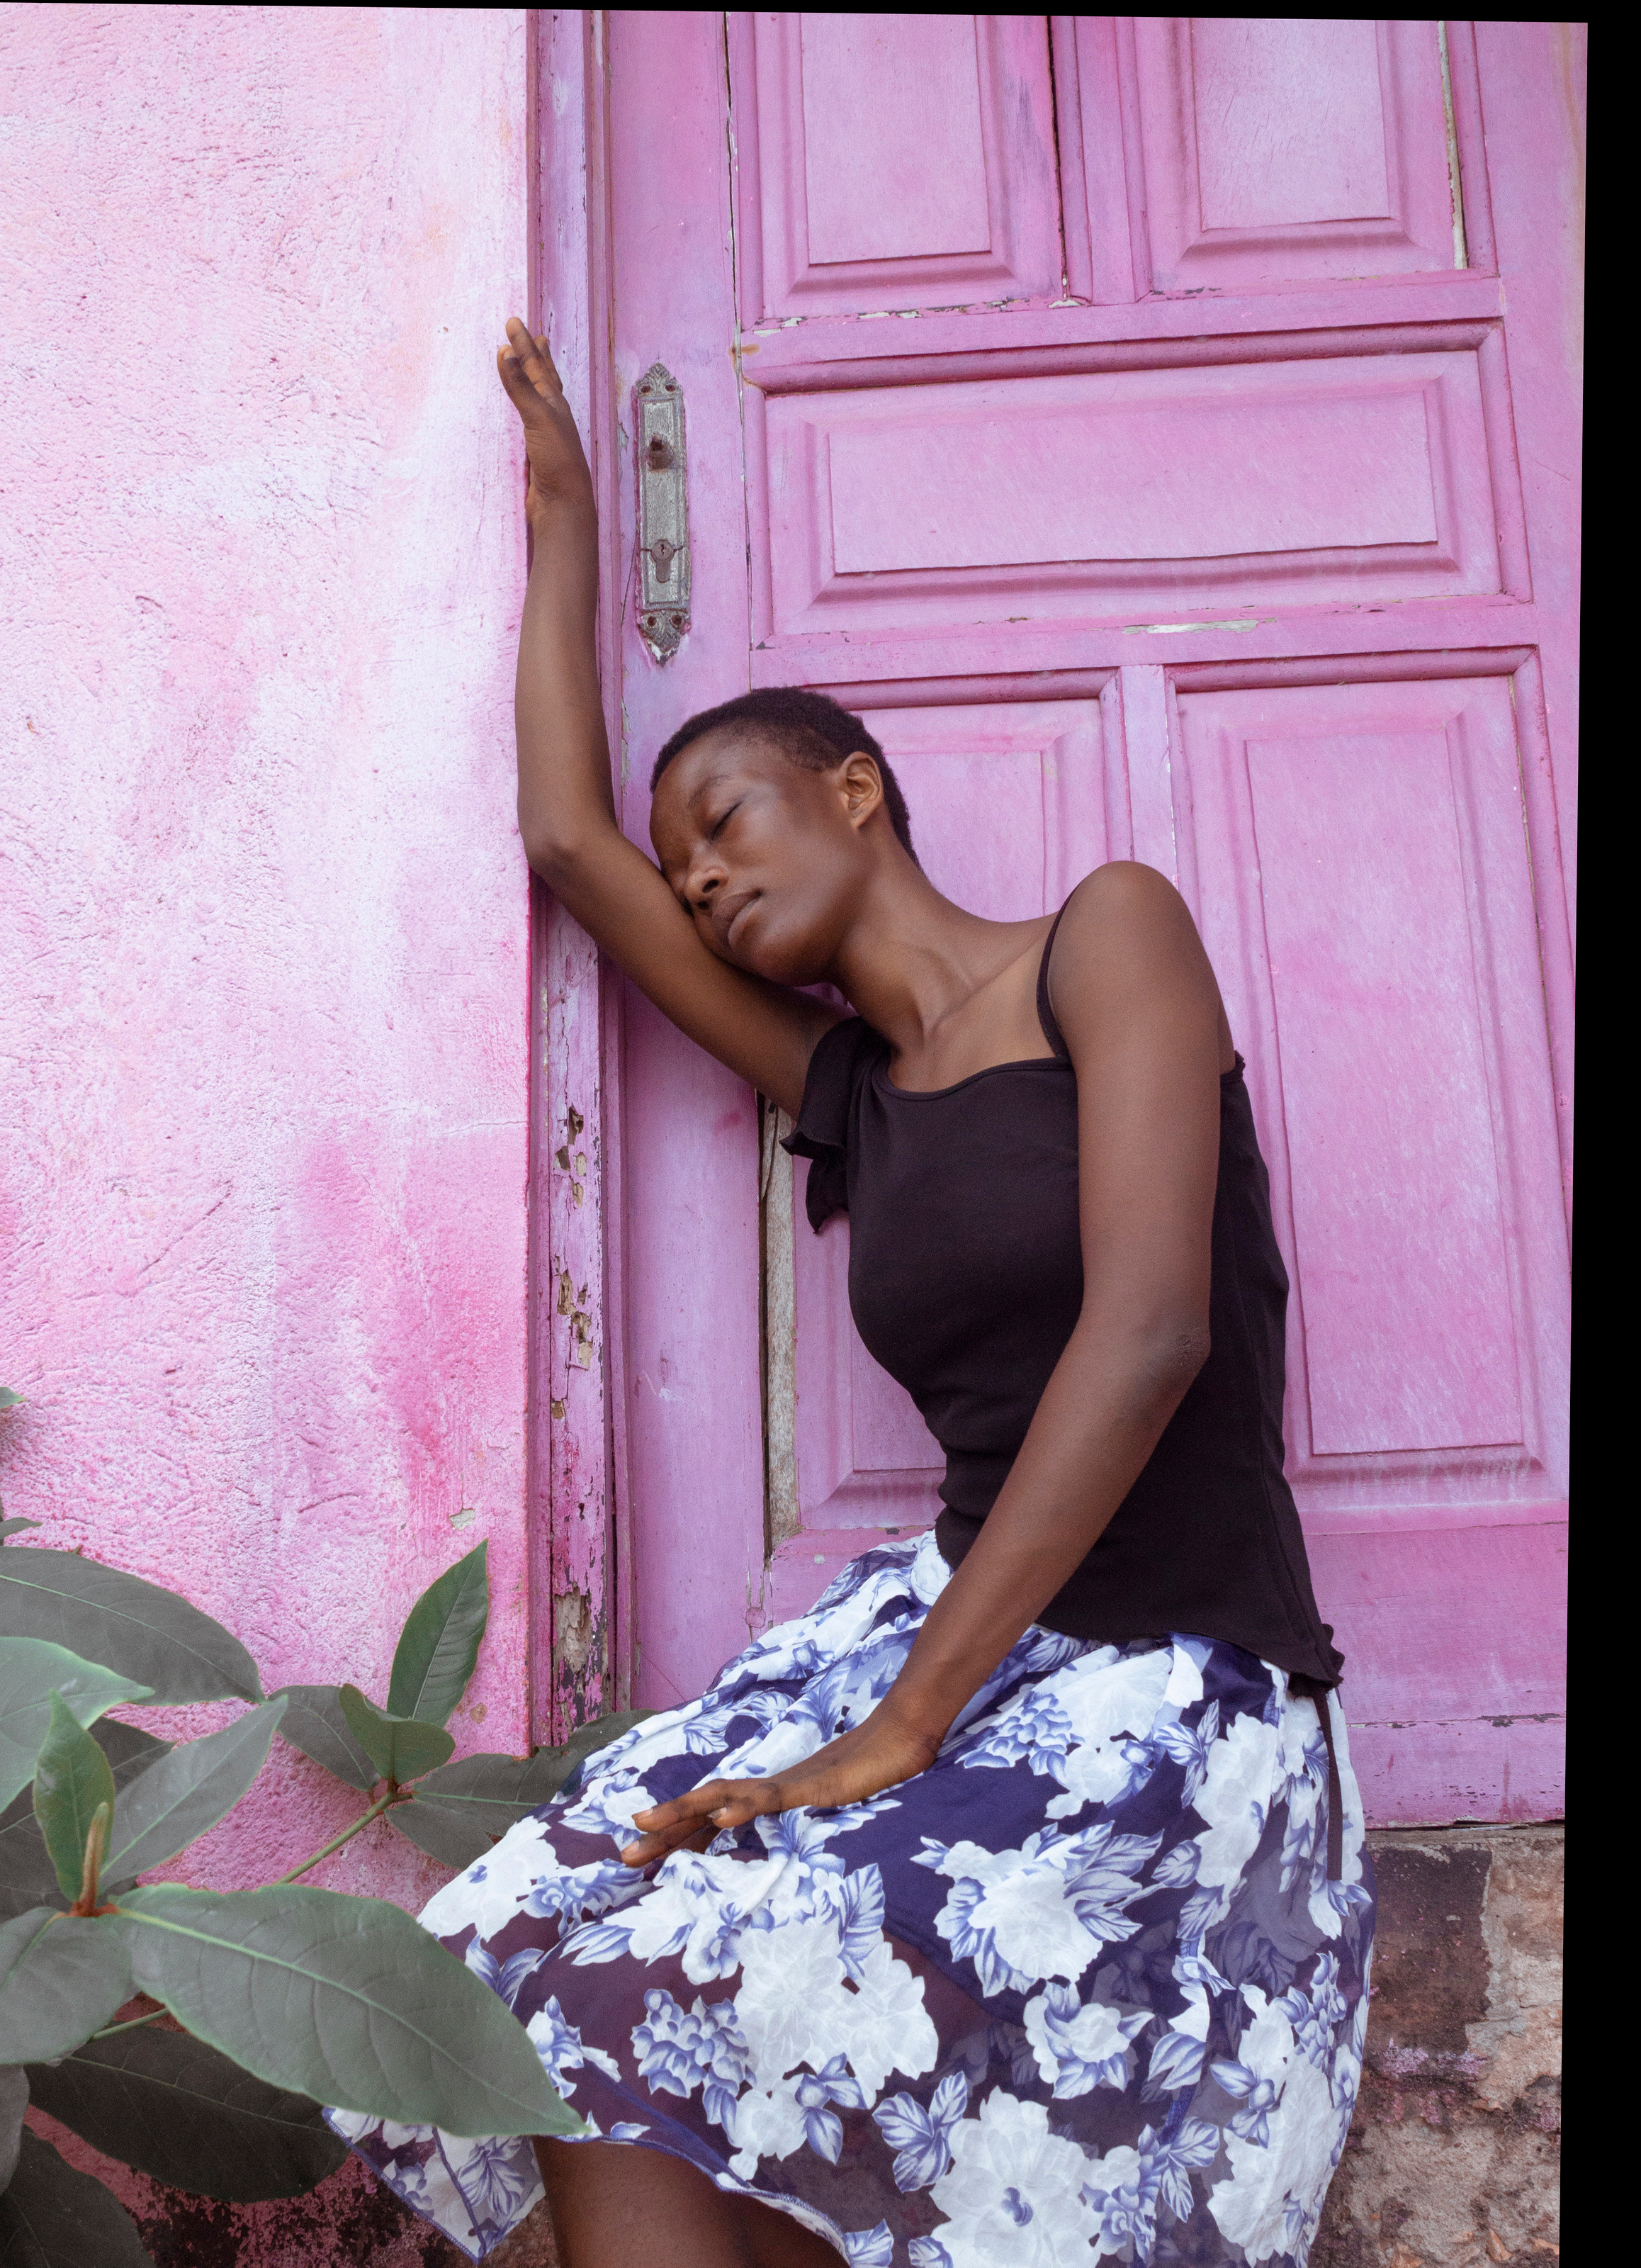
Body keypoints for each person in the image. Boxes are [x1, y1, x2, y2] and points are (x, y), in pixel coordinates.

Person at [329, 320, 1375, 2268]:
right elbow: (568, 841)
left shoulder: (1104, 940)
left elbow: (1150, 1331)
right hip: (965, 1653)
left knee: (703, 1988)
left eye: (730, 824)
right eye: (690, 869)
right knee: (566, 1961)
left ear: (858, 790)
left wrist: (901, 1728)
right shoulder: (850, 1099)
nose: (704, 883)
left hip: (1161, 1679)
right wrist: (563, 518)